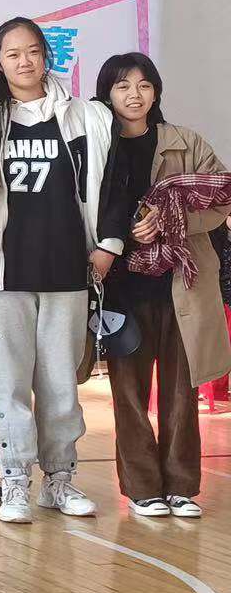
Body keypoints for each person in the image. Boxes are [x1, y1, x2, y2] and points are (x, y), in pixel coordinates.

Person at [0, 18, 124, 523]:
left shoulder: (87, 117)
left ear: (47, 55)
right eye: (12, 54)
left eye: (32, 51)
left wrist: (107, 247)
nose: (24, 62)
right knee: (7, 383)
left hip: (67, 269)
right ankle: (14, 481)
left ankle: (60, 479)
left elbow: (114, 184)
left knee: (60, 382)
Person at [97, 53, 230, 517]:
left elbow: (221, 197)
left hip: (182, 283)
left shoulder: (184, 141)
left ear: (156, 91)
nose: (134, 95)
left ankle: (181, 486)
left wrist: (174, 222)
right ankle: (142, 488)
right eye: (122, 86)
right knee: (128, 393)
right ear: (106, 94)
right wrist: (122, 233)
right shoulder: (97, 144)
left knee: (180, 389)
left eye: (143, 85)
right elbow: (81, 206)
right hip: (122, 286)